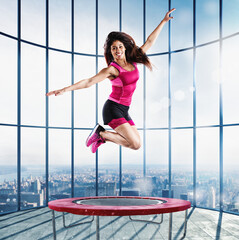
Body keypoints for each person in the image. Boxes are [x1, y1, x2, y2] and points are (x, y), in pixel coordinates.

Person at [46, 8, 175, 153]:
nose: (118, 50)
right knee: (135, 144)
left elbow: (149, 42)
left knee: (136, 143)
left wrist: (163, 21)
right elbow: (88, 82)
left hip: (124, 110)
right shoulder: (112, 70)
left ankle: (101, 136)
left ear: (125, 48)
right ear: (111, 51)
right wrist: (63, 90)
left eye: (120, 46)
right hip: (112, 109)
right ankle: (101, 134)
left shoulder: (133, 60)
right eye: (114, 48)